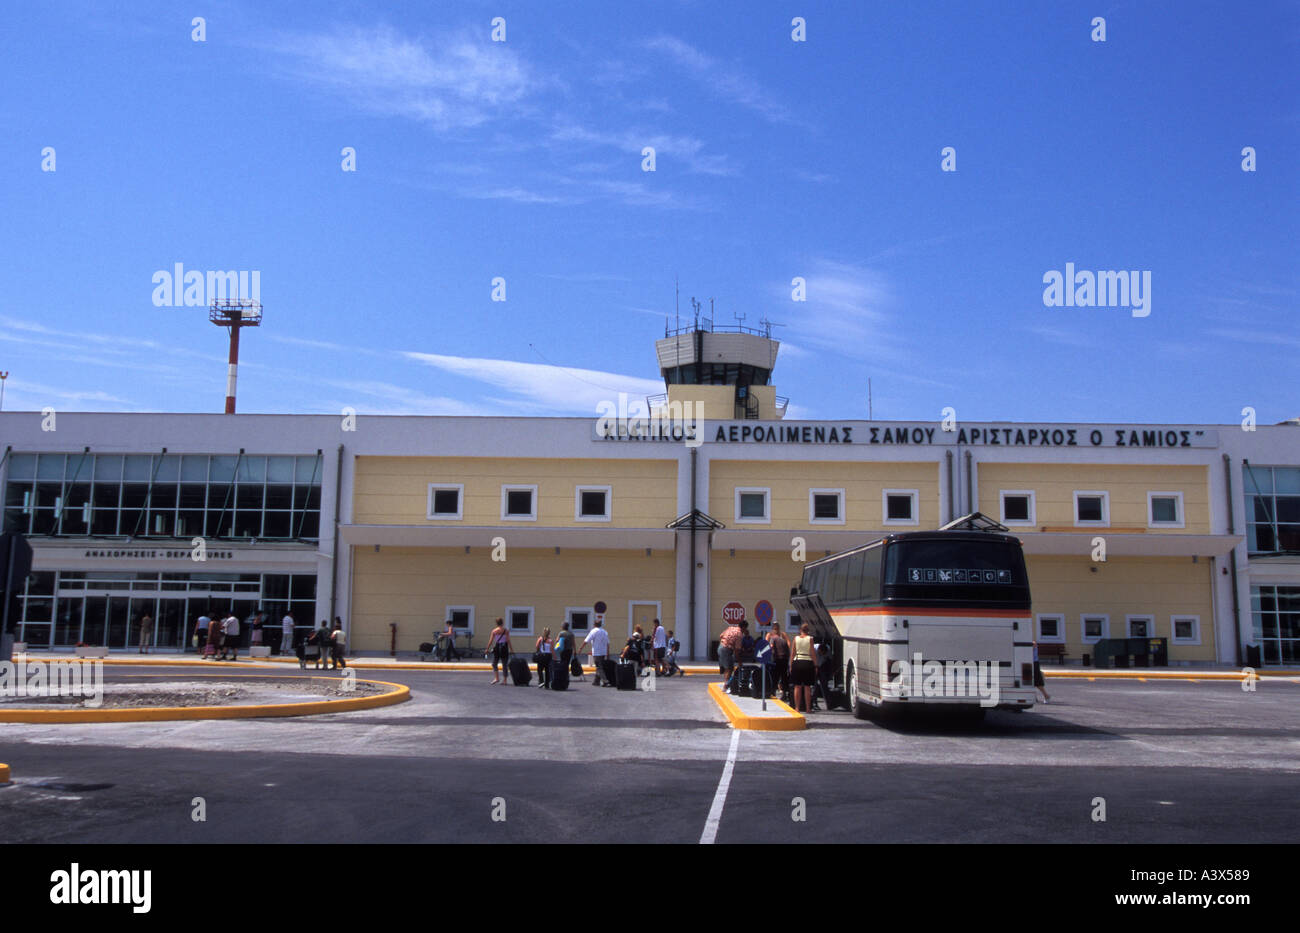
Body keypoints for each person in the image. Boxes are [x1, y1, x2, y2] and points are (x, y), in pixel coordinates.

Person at [790, 623, 818, 713]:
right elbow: (812, 653)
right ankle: (808, 708)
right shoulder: (810, 639)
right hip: (807, 662)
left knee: (797, 686)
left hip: (797, 661)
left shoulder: (796, 638)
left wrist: (791, 665)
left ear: (800, 630)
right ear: (808, 631)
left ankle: (797, 708)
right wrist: (816, 665)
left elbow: (793, 652)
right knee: (807, 687)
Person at [581, 618, 611, 687]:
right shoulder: (604, 632)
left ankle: (605, 681)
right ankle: (596, 681)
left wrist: (581, 648)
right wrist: (608, 653)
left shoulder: (594, 631)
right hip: (603, 652)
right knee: (599, 666)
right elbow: (607, 643)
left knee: (599, 667)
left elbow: (586, 640)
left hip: (597, 652)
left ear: (594, 624)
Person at [769, 621, 792, 701]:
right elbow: (788, 647)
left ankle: (773, 692)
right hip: (785, 659)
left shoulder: (773, 638)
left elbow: (771, 646)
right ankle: (784, 694)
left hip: (777, 659)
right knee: (784, 677)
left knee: (775, 676)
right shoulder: (783, 639)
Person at [718, 616, 743, 686]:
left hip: (720, 647)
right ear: (744, 627)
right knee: (729, 668)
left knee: (726, 667)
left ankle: (726, 683)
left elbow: (721, 636)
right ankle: (725, 686)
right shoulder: (739, 634)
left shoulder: (731, 628)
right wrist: (740, 662)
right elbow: (737, 650)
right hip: (726, 649)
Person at [487, 618, 511, 684]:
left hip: (497, 647)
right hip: (504, 647)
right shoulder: (506, 631)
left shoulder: (494, 631)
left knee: (494, 663)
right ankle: (505, 680)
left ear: (496, 623)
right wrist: (511, 649)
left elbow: (491, 641)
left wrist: (487, 649)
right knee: (504, 664)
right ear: (502, 623)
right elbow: (508, 640)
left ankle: (497, 678)